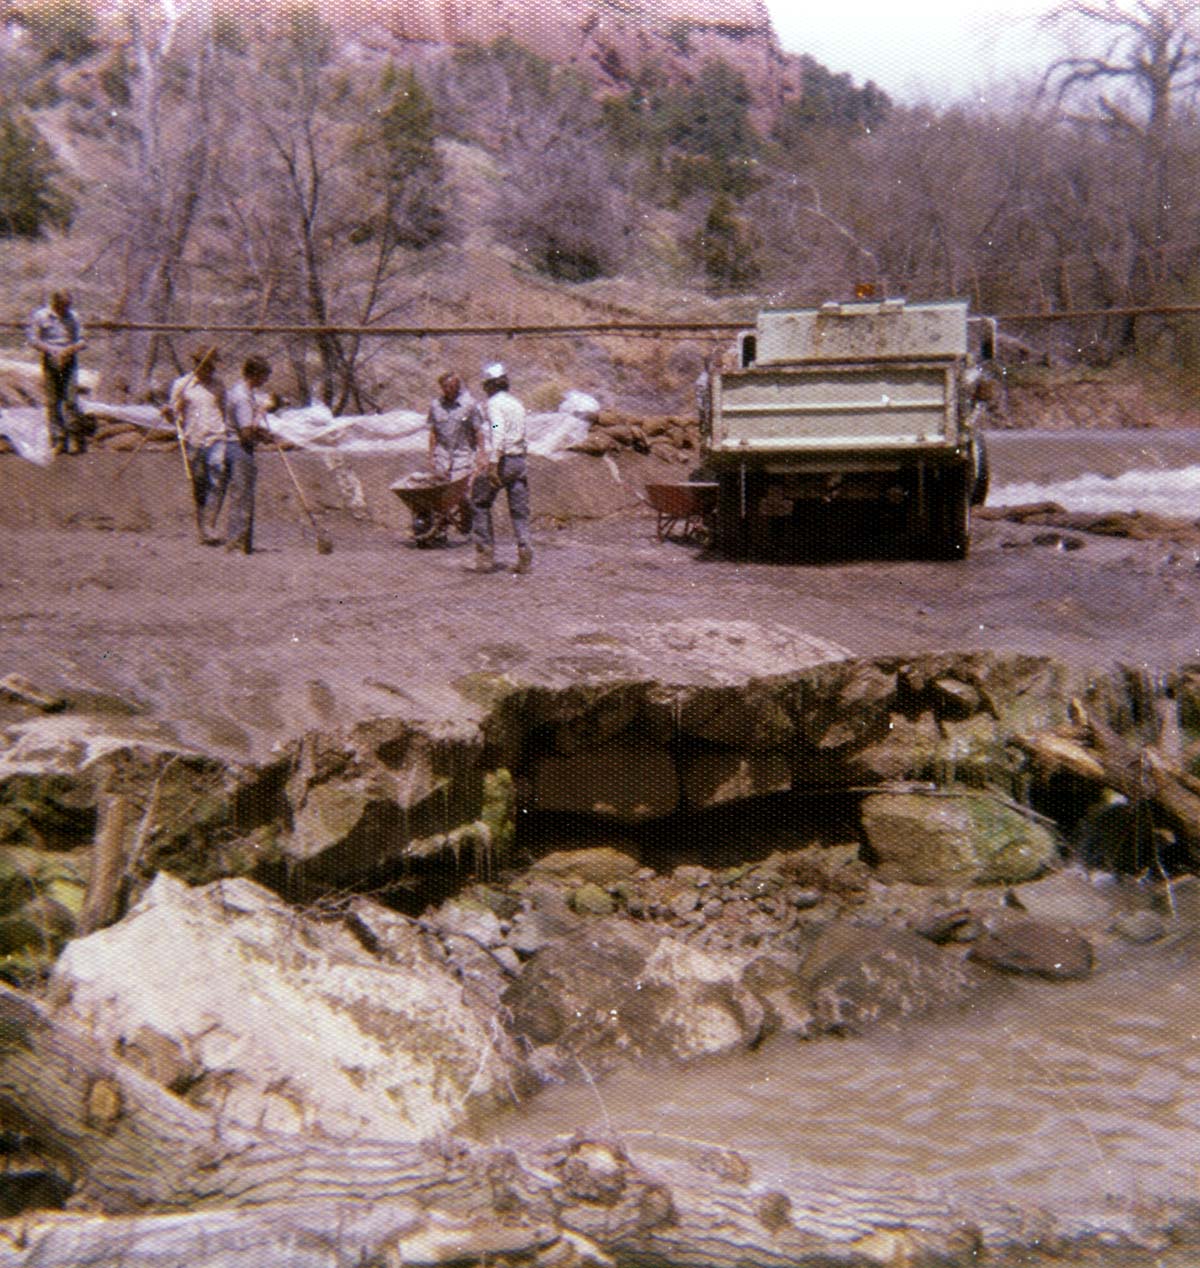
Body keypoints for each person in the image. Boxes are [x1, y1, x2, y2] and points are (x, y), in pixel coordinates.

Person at [163, 346, 229, 545]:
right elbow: (173, 416)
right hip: (194, 439)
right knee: (199, 483)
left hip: (216, 437)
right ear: (197, 364)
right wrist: (168, 412)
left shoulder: (219, 385)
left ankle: (211, 525)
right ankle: (202, 527)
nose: (210, 369)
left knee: (218, 477)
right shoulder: (182, 385)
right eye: (206, 365)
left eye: (212, 365)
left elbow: (224, 410)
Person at [471, 361, 532, 575]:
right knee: (519, 511)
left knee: (479, 501)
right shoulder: (517, 404)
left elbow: (497, 430)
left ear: (490, 385)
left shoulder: (494, 405)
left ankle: (485, 554)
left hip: (504, 460)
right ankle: (524, 549)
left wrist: (494, 462)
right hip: (520, 461)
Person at [419, 370, 482, 543]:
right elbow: (433, 432)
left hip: (462, 454)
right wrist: (431, 455)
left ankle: (467, 524)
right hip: (442, 455)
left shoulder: (469, 405)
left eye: (453, 386)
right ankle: (440, 530)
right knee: (440, 495)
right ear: (441, 387)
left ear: (458, 386)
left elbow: (478, 431)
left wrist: (482, 454)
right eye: (446, 386)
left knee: (460, 493)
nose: (449, 389)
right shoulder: (435, 406)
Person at [222, 355, 273, 555]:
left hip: (235, 447)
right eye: (264, 376)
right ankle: (236, 543)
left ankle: (243, 543)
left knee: (241, 495)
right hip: (240, 448)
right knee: (242, 496)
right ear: (255, 374)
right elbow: (245, 432)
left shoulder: (241, 391)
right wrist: (264, 437)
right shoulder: (242, 397)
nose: (265, 381)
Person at [26, 290, 87, 455]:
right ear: (55, 304)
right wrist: (51, 350)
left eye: (68, 306)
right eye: (62, 306)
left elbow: (82, 339)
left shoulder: (74, 317)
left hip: (69, 359)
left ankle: (74, 437)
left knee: (71, 400)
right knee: (53, 400)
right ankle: (58, 439)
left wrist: (71, 349)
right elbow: (33, 339)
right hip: (50, 359)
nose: (65, 309)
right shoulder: (40, 316)